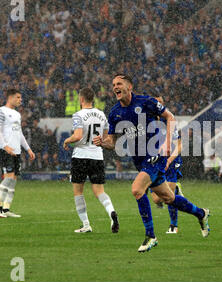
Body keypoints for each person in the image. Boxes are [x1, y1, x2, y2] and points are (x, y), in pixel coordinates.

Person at [93, 74, 210, 252]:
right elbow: (112, 142)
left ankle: (151, 236)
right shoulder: (115, 113)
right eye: (113, 84)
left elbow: (170, 117)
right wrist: (103, 143)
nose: (115, 87)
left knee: (137, 189)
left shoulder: (145, 102)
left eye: (119, 83)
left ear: (129, 86)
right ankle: (201, 213)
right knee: (168, 198)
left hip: (156, 154)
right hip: (140, 161)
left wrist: (166, 142)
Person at [63, 87, 119, 234]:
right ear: (93, 99)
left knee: (78, 192)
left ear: (81, 99)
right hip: (97, 156)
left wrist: (67, 141)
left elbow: (77, 136)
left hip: (81, 156)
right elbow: (106, 139)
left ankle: (86, 224)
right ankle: (111, 212)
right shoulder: (102, 115)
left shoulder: (78, 115)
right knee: (99, 191)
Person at [0, 89, 36, 218]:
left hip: (16, 151)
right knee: (9, 177)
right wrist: (5, 146)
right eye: (18, 97)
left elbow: (19, 133)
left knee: (14, 179)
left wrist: (28, 149)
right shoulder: (0, 111)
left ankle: (6, 209)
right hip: (5, 151)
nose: (20, 100)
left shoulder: (17, 114)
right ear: (10, 98)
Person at [148, 94, 183, 234]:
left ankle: (173, 225)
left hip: (170, 160)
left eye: (161, 103)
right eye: (156, 103)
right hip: (155, 161)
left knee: (169, 198)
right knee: (157, 199)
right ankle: (175, 191)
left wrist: (169, 160)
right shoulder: (146, 121)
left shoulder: (169, 120)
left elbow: (179, 145)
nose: (159, 106)